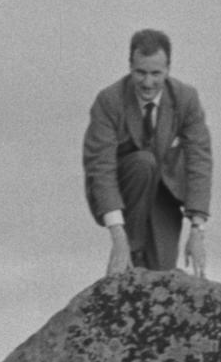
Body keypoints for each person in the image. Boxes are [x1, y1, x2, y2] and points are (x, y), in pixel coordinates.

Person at [83, 30, 212, 276]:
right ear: (130, 66)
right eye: (140, 72)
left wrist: (197, 230)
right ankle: (132, 250)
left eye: (156, 73)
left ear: (168, 69)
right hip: (125, 189)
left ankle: (146, 255)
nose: (148, 82)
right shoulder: (108, 101)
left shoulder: (186, 99)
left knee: (161, 271)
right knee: (144, 162)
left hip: (164, 190)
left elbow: (199, 161)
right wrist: (119, 237)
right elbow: (100, 167)